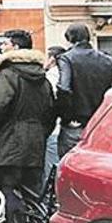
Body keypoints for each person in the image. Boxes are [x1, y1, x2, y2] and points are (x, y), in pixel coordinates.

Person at [0, 29, 55, 223]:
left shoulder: (8, 74)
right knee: (33, 191)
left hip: (10, 139)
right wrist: (41, 132)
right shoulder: (41, 76)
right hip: (36, 140)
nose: (1, 47)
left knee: (10, 190)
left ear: (15, 47)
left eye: (5, 43)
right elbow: (50, 111)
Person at [56, 23, 112, 157]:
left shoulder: (66, 58)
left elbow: (64, 88)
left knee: (69, 165)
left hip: (76, 123)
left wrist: (66, 116)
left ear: (70, 38)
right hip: (101, 124)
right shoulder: (106, 59)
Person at [42, 46, 66, 186]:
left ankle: (48, 204)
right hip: (64, 127)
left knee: (51, 170)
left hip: (53, 129)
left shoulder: (50, 77)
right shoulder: (67, 74)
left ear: (51, 59)